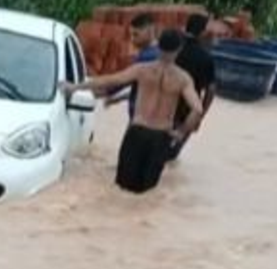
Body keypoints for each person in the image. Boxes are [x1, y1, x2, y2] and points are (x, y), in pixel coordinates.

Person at [62, 30, 203, 194]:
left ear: (158, 45)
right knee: (147, 193)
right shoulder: (183, 79)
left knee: (122, 188)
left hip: (137, 132)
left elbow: (110, 79)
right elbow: (197, 109)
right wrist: (181, 132)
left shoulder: (142, 70)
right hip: (161, 137)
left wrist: (74, 87)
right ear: (179, 49)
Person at [170, 14, 217, 160]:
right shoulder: (206, 58)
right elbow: (211, 90)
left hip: (163, 104)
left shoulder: (172, 47)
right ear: (203, 33)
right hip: (187, 110)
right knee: (172, 154)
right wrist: (200, 117)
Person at [104, 14, 160, 119]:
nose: (133, 40)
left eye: (136, 35)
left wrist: (102, 90)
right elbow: (142, 88)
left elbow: (123, 81)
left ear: (150, 31)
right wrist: (118, 98)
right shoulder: (158, 53)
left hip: (142, 116)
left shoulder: (148, 56)